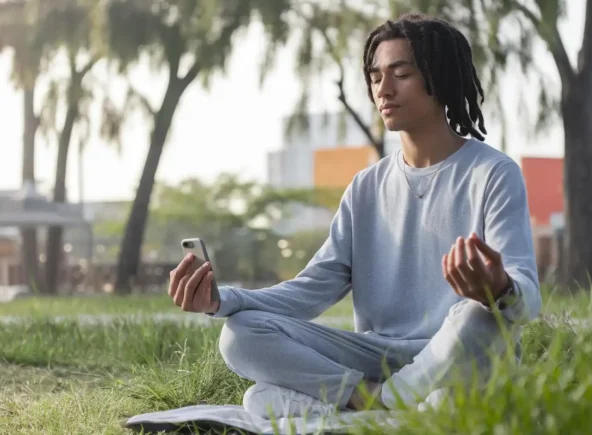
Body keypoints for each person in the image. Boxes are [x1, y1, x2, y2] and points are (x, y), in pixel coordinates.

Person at [168, 12, 541, 419]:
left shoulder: (494, 174)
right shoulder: (366, 187)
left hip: (455, 352)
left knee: (479, 316)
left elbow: (527, 301)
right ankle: (389, 404)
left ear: (442, 78)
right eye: (376, 75)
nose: (384, 88)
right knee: (240, 335)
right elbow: (309, 291)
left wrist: (499, 289)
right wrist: (224, 301)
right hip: (375, 358)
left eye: (401, 73)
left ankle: (377, 405)